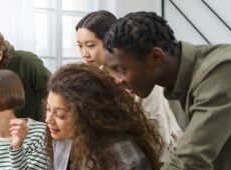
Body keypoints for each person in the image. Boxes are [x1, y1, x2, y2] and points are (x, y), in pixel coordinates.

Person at [103, 11, 231, 170]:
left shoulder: (225, 70)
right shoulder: (175, 86)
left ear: (155, 57)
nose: (117, 81)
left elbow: (188, 161)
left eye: (120, 69)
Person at [16, 63, 163, 170]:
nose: (48, 119)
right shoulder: (66, 139)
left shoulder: (121, 157)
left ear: (88, 115)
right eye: (48, 110)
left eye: (60, 114)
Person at [75, 10, 181, 156]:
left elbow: (159, 138)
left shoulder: (141, 77)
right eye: (80, 46)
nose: (84, 53)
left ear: (109, 42)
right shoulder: (95, 77)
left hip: (160, 162)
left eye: (91, 45)